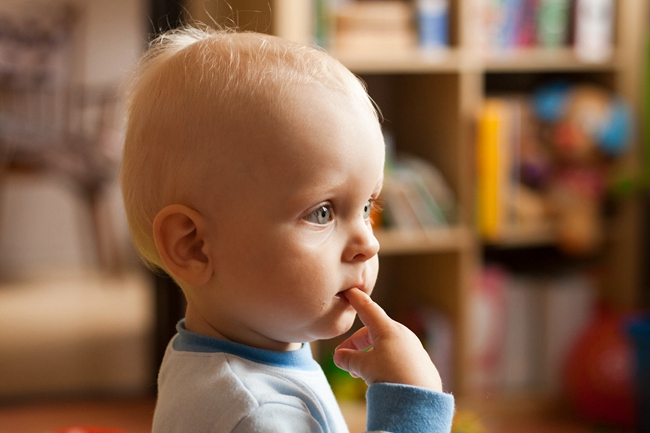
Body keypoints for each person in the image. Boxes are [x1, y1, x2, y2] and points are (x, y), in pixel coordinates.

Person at [121, 25, 455, 432]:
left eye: (367, 206)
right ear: (194, 246)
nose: (367, 243)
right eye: (322, 212)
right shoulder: (258, 414)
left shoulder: (225, 354)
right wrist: (411, 408)